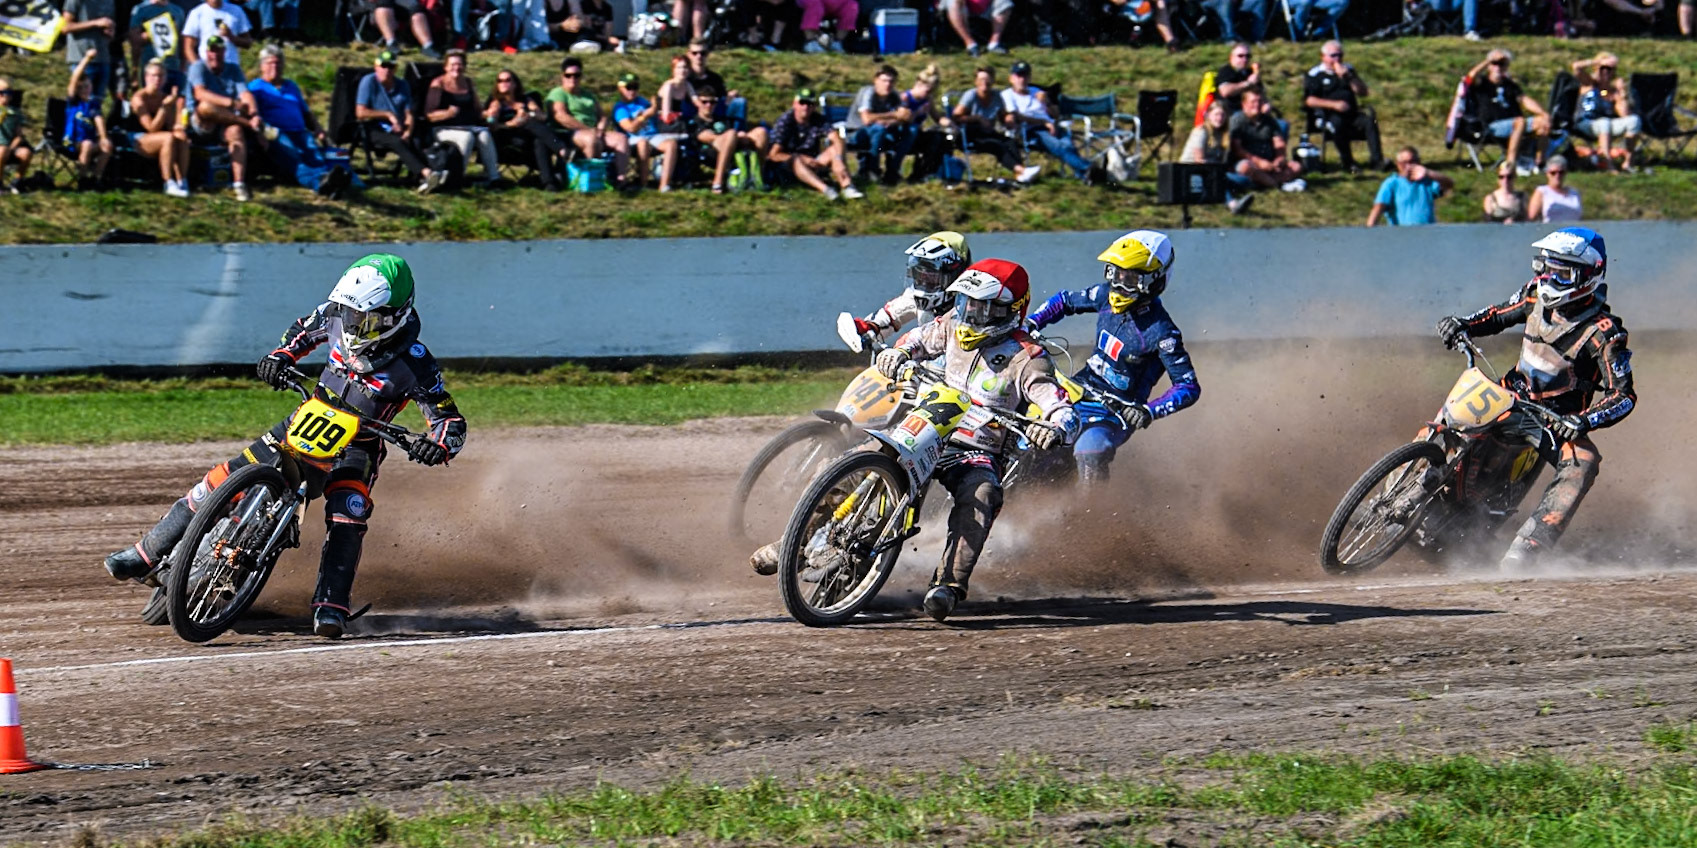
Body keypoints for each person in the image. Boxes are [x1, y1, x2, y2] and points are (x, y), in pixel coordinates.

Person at [102, 253, 468, 640]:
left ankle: (331, 606)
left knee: (348, 514)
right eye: (350, 315)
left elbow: (449, 419)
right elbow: (301, 332)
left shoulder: (417, 363)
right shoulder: (334, 314)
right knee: (222, 478)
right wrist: (280, 356)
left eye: (365, 319)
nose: (352, 324)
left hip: (359, 445)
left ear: (394, 316)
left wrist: (437, 445)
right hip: (305, 417)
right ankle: (145, 553)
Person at [872, 259, 1079, 621]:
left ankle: (948, 585)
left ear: (1009, 311)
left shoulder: (1028, 358)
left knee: (982, 494)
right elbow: (917, 339)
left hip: (978, 450)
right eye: (966, 303)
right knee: (868, 455)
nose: (970, 314)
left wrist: (1054, 428)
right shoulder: (951, 324)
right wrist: (897, 352)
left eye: (982, 308)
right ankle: (801, 539)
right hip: (928, 426)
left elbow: (1061, 408)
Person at [1434, 228, 1634, 569]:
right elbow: (1497, 315)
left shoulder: (1605, 333)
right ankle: (1397, 490)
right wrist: (1462, 324)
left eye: (1561, 273)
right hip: (1505, 394)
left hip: (1553, 421)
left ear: (1587, 276)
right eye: (1545, 268)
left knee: (1584, 460)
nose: (1549, 279)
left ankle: (1529, 548)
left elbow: (1623, 395)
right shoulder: (1533, 295)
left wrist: (1583, 421)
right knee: (1450, 419)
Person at [1027, 230, 1199, 487]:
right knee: (1026, 427)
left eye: (1130, 279)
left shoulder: (1162, 332)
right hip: (1076, 391)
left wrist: (1149, 411)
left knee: (1090, 450)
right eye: (1115, 274)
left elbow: (1188, 386)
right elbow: (1063, 301)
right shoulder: (1104, 295)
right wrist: (1031, 324)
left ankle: (1092, 510)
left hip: (1115, 413)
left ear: (1154, 281)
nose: (1118, 284)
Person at [249, 46, 358, 198]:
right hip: (276, 132)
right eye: (270, 63)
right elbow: (253, 114)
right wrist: (260, 132)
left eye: (278, 63)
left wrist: (318, 129)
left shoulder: (291, 86)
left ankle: (333, 181)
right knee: (295, 159)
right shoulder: (256, 87)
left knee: (316, 156)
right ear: (261, 66)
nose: (275, 66)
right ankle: (320, 183)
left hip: (300, 131)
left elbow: (306, 112)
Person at [846, 232, 971, 341]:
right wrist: (869, 327)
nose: (924, 283)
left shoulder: (973, 303)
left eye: (932, 278)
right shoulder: (915, 296)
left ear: (955, 276)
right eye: (919, 277)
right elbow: (891, 315)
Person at [356, 50, 446, 195]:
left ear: (395, 68)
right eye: (383, 66)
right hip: (373, 127)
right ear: (376, 67)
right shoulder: (368, 82)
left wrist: (408, 131)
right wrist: (387, 115)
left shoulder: (403, 85)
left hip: (398, 127)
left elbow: (409, 113)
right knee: (396, 142)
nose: (387, 70)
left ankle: (425, 178)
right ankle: (427, 173)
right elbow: (360, 113)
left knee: (415, 140)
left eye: (391, 66)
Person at [187, 35, 257, 201]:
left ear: (224, 52)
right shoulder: (198, 67)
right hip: (202, 122)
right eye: (212, 51)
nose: (215, 55)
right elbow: (200, 93)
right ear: (206, 53)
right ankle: (248, 124)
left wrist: (255, 114)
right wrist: (230, 103)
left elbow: (246, 94)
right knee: (205, 107)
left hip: (226, 122)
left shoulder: (233, 69)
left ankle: (239, 184)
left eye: (218, 51)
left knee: (236, 131)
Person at [1001, 61, 1093, 182]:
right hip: (1031, 131)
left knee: (1068, 145)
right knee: (1059, 146)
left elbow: (1056, 115)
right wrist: (1044, 122)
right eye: (1019, 76)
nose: (1022, 79)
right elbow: (1016, 116)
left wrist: (1047, 103)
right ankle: (1088, 168)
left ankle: (1086, 176)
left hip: (1052, 126)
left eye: (1025, 76)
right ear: (1011, 78)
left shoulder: (1036, 91)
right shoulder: (1007, 95)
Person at [547, 57, 631, 186]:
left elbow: (602, 116)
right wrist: (588, 130)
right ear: (562, 76)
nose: (572, 78)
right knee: (591, 139)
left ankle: (620, 179)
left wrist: (601, 128)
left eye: (577, 75)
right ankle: (590, 180)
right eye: (568, 75)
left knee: (621, 139)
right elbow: (560, 116)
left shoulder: (588, 95)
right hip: (570, 133)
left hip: (594, 131)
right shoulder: (558, 93)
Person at [1463, 48, 1550, 172]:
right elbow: (1470, 76)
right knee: (1519, 122)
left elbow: (1524, 100)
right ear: (1489, 66)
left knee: (1544, 122)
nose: (1498, 67)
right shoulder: (1482, 82)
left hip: (1514, 123)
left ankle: (1539, 162)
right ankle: (1511, 162)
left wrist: (1543, 113)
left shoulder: (1510, 85)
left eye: (1502, 64)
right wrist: (1489, 60)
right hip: (1491, 126)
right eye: (1495, 63)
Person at [1302, 40, 1383, 172]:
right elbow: (1310, 100)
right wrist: (1334, 105)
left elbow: (1363, 92)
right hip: (1329, 115)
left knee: (1370, 120)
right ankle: (1348, 163)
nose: (1337, 59)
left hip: (1351, 114)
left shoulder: (1348, 69)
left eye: (1340, 55)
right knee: (1337, 124)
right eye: (1333, 56)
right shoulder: (1316, 74)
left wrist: (1349, 77)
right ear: (1323, 57)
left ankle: (1377, 161)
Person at [767, 88, 861, 199]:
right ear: (795, 104)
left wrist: (839, 158)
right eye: (802, 103)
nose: (805, 107)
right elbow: (774, 154)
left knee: (835, 149)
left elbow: (836, 137)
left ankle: (847, 186)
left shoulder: (818, 119)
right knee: (796, 160)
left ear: (814, 106)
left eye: (809, 103)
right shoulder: (785, 121)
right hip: (789, 166)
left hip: (814, 161)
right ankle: (826, 189)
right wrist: (802, 159)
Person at [951, 66, 1040, 184]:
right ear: (976, 81)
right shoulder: (971, 95)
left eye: (988, 79)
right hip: (969, 134)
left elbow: (1002, 115)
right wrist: (977, 118)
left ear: (993, 81)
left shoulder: (997, 96)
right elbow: (956, 117)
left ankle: (1020, 174)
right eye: (981, 79)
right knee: (996, 145)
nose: (985, 83)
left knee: (1010, 142)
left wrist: (1008, 119)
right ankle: (1021, 170)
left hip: (988, 132)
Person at [427, 50, 500, 188]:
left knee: (484, 134)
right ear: (446, 67)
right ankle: (456, 177)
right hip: (442, 128)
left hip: (467, 126)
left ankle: (494, 177)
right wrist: (447, 113)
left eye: (460, 64)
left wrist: (489, 115)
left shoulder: (468, 83)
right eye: (453, 65)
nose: (457, 68)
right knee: (467, 137)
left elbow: (478, 110)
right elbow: (429, 114)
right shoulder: (438, 84)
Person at [487, 68, 570, 190]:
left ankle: (549, 183)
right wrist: (512, 123)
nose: (503, 83)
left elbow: (542, 116)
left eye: (507, 80)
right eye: (500, 81)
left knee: (538, 139)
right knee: (531, 125)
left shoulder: (526, 99)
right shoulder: (496, 102)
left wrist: (528, 114)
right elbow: (492, 126)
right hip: (507, 137)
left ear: (515, 84)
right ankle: (561, 149)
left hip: (528, 135)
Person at [691, 86, 769, 194]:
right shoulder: (695, 121)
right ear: (697, 103)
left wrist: (740, 136)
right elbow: (703, 136)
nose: (709, 105)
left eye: (712, 102)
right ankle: (717, 182)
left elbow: (732, 133)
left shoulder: (722, 119)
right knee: (731, 134)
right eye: (704, 102)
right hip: (710, 151)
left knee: (761, 132)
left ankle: (758, 178)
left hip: (732, 145)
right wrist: (730, 137)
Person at [130, 60, 191, 198]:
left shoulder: (165, 97)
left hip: (160, 136)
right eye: (153, 76)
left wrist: (179, 127)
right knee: (168, 138)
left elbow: (170, 126)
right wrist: (164, 107)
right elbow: (151, 128)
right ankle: (168, 182)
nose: (157, 79)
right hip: (139, 137)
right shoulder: (139, 98)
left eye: (160, 76)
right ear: (146, 77)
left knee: (181, 137)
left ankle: (182, 180)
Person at [1181, 99, 1253, 214]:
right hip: (1193, 171)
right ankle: (1232, 204)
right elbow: (1199, 160)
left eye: (1222, 115)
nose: (1219, 118)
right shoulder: (1201, 132)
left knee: (1245, 181)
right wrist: (1216, 170)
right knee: (1219, 179)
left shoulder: (1221, 134)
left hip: (1213, 170)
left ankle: (1219, 192)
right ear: (1209, 115)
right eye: (1216, 114)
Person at [1571, 53, 1640, 172]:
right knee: (1604, 122)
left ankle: (1628, 162)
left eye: (1610, 69)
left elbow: (1624, 114)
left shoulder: (1612, 91)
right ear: (1596, 68)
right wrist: (1597, 61)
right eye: (1603, 68)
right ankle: (1608, 163)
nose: (1605, 72)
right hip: (1585, 123)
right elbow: (1576, 67)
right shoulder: (1589, 83)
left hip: (1606, 126)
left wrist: (1621, 93)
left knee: (1634, 120)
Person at [846, 65, 914, 185]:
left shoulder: (894, 95)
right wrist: (893, 114)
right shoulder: (867, 92)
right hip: (857, 132)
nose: (887, 84)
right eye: (884, 81)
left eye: (891, 81)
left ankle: (893, 171)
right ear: (876, 80)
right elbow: (866, 119)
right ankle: (873, 170)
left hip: (883, 131)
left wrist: (891, 121)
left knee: (911, 131)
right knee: (879, 129)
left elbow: (906, 116)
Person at [1229, 88, 1304, 192]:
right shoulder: (1237, 121)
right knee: (1245, 167)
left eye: (1259, 101)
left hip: (1270, 163)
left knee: (1296, 166)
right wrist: (1259, 162)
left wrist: (1279, 158)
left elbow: (1279, 143)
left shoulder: (1269, 121)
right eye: (1253, 102)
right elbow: (1238, 149)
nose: (1257, 104)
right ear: (1244, 104)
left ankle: (1265, 182)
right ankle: (1276, 184)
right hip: (1250, 163)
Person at [611, 72, 669, 191]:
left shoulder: (642, 102)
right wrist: (644, 116)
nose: (632, 91)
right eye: (628, 87)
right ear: (620, 89)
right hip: (631, 139)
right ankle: (643, 183)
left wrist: (655, 106)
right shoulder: (620, 108)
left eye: (635, 87)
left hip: (652, 135)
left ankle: (665, 184)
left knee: (671, 144)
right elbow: (630, 128)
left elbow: (655, 110)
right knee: (642, 142)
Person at [1367, 146, 1453, 226]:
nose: (1408, 166)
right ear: (1398, 164)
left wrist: (1428, 173)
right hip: (1401, 233)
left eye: (1412, 162)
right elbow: (1378, 207)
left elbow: (1449, 184)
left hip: (1427, 232)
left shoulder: (1426, 182)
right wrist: (1370, 231)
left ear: (1418, 162)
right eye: (1404, 163)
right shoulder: (1391, 183)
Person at [65, 50, 113, 191]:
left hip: (90, 140)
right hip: (73, 141)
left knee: (107, 145)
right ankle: (82, 179)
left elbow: (98, 119)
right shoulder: (73, 102)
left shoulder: (93, 104)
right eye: (81, 88)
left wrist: (103, 137)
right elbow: (74, 78)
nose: (85, 90)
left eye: (87, 86)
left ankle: (96, 178)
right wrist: (87, 58)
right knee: (86, 144)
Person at [61, 0, 117, 104]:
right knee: (80, 102)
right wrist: (95, 23)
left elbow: (109, 26)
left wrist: (110, 32)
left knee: (97, 103)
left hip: (103, 58)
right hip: (81, 59)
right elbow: (65, 27)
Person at [129, 0, 187, 95]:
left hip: (174, 67)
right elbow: (135, 40)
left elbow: (183, 41)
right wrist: (159, 29)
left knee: (175, 101)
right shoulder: (140, 9)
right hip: (151, 68)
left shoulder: (178, 11)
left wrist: (183, 67)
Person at [182, 0, 253, 71]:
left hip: (231, 68)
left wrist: (231, 36)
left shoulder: (236, 11)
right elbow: (188, 48)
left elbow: (248, 42)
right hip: (207, 68)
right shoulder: (197, 13)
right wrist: (199, 68)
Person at [372, 0, 444, 58]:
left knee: (416, 9)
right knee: (384, 4)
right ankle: (391, 43)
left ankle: (428, 46)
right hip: (379, 5)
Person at [0, 78, 35, 195]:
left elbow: (19, 136)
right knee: (2, 151)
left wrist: (11, 148)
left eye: (8, 93)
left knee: (26, 153)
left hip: (9, 147)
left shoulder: (15, 112)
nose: (4, 97)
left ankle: (17, 182)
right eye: (1, 93)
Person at [943, 0, 1013, 56]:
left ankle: (994, 43)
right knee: (954, 2)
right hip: (962, 6)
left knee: (1004, 1)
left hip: (986, 5)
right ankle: (970, 44)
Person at [546, 0, 620, 51]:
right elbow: (542, 29)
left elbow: (579, 18)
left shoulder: (607, 7)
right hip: (550, 35)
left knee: (584, 33)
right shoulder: (586, 4)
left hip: (570, 34)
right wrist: (561, 25)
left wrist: (575, 23)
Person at [1528, 155, 1582, 223]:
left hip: (1573, 228)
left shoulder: (1574, 193)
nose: (1557, 175)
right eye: (1553, 173)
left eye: (1561, 172)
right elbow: (1531, 217)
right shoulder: (1542, 191)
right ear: (1547, 173)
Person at [1214, 43, 1259, 117]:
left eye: (1248, 56)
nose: (1245, 59)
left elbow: (1260, 93)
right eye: (1240, 56)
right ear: (1231, 57)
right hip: (1230, 112)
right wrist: (1248, 83)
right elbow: (1225, 91)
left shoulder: (1250, 72)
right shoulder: (1226, 71)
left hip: (1250, 111)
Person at [1201, 0, 1270, 43]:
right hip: (1210, 4)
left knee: (1259, 1)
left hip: (1236, 4)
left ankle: (1257, 38)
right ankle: (1230, 37)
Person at [1482, 159, 1527, 223]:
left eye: (1509, 177)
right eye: (1501, 177)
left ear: (1514, 177)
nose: (1505, 180)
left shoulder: (1522, 197)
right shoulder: (1491, 198)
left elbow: (1528, 220)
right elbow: (1487, 223)